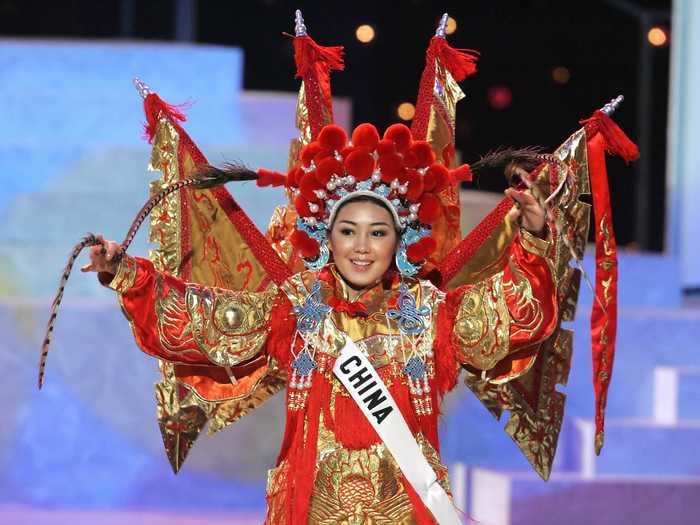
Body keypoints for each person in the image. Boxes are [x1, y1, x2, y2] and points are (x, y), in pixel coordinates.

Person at [81, 121, 558, 525]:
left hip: (409, 509)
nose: (363, 247)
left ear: (401, 239)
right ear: (326, 237)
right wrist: (127, 274)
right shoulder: (293, 309)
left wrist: (534, 238)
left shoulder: (431, 311)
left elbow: (512, 313)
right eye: (348, 232)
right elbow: (207, 319)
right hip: (309, 508)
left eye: (378, 232)